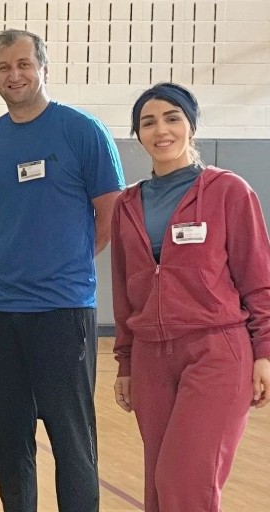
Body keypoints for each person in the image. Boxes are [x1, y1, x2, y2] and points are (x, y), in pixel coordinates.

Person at [0, 29, 125, 511]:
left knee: (71, 438)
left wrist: (67, 262)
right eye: (3, 67)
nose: (13, 75)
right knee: (8, 436)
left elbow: (112, 214)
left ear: (43, 68)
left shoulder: (82, 130)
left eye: (22, 64)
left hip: (63, 311)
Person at [110, 82, 270, 512]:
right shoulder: (127, 205)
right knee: (158, 490)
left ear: (191, 126)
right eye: (148, 122)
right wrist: (125, 362)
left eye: (172, 117)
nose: (160, 129)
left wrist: (264, 353)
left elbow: (258, 279)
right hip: (150, 359)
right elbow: (125, 297)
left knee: (184, 481)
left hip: (216, 353)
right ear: (138, 134)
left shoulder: (228, 191)